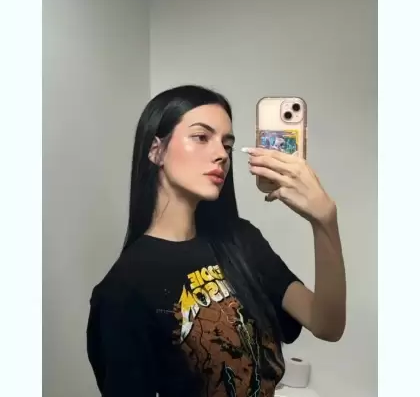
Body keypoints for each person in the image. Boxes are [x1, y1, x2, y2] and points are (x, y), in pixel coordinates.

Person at [86, 85, 346, 397]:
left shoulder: (241, 241)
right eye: (201, 137)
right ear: (156, 150)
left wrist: (324, 221)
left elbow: (326, 324)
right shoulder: (123, 290)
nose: (222, 154)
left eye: (227, 144)